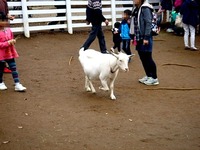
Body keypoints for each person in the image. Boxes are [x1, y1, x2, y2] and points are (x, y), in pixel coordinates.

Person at [132, 0, 159, 85]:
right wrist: (133, 36)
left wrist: (146, 37)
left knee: (148, 57)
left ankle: (154, 78)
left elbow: (148, 22)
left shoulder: (145, 8)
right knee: (142, 57)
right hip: (139, 36)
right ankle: (148, 75)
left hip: (145, 36)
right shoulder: (136, 8)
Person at [0, 12, 26, 91]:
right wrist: (7, 43)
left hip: (9, 53)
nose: (5, 22)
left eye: (5, 20)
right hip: (1, 55)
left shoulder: (9, 30)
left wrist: (12, 41)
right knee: (0, 69)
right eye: (2, 20)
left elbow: (11, 38)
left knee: (13, 68)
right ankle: (1, 82)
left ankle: (17, 84)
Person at [0, 0, 15, 73]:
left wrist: (9, 17)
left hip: (3, 26)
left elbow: (6, 13)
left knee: (5, 46)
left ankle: (4, 65)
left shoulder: (4, 1)